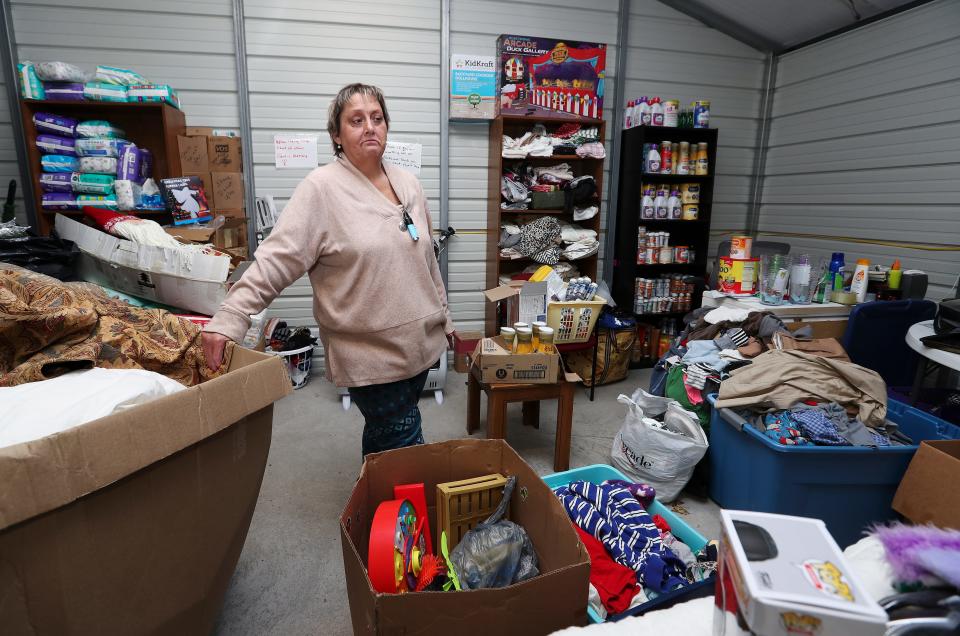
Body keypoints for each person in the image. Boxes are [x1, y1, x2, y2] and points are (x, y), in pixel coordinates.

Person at [201, 83, 455, 456]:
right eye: (356, 120)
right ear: (336, 134)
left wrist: (444, 319)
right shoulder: (321, 190)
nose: (370, 127)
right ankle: (386, 508)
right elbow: (277, 258)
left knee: (388, 442)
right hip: (372, 356)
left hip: (420, 347)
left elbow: (427, 260)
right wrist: (231, 316)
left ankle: (375, 502)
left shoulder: (409, 184)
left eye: (377, 118)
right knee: (404, 449)